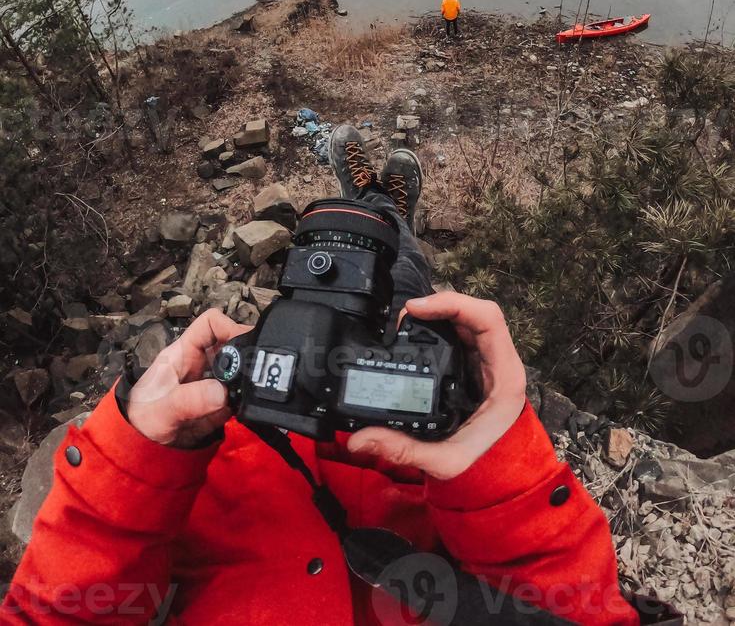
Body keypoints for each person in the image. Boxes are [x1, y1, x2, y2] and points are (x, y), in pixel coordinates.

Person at [1, 125, 679, 626]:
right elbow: (586, 614)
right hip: (413, 487)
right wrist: (505, 474)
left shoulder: (195, 460)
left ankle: (371, 207)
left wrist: (129, 468)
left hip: (240, 470)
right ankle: (385, 213)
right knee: (405, 294)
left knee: (333, 307)